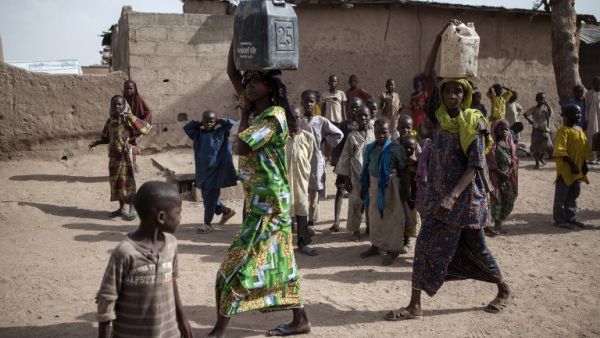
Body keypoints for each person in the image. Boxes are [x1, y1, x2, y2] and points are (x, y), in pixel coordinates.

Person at [385, 21, 511, 321]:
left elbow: (476, 165)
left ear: (465, 93)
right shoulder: (439, 116)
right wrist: (438, 39)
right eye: (448, 91)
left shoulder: (474, 122)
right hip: (440, 197)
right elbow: (427, 77)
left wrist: (453, 196)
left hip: (465, 201)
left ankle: (504, 289)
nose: (452, 96)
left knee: (476, 250)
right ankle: (415, 305)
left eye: (458, 91)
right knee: (425, 247)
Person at [208, 41, 311, 338]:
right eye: (247, 82)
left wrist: (242, 114)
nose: (249, 87)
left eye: (256, 82)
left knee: (234, 266)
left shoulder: (274, 117)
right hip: (259, 201)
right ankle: (300, 320)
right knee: (282, 260)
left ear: (271, 86)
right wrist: (238, 37)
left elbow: (240, 146)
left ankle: (218, 330)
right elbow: (231, 70)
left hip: (271, 204)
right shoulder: (256, 110)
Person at [96, 181, 193, 338]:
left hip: (168, 333)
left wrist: (182, 320)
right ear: (161, 217)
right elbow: (106, 302)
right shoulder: (125, 253)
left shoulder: (171, 245)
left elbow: (171, 281)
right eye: (178, 212)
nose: (180, 218)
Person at [89, 95, 152, 220]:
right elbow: (106, 138)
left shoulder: (128, 119)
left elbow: (145, 128)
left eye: (119, 104)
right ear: (111, 106)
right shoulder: (110, 121)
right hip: (114, 158)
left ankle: (132, 209)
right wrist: (97, 142)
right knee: (117, 184)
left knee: (128, 183)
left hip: (125, 157)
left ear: (124, 106)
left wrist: (132, 137)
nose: (117, 107)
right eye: (114, 104)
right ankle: (121, 208)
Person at [360, 119, 407, 266]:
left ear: (390, 132)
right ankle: (376, 245)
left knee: (392, 217)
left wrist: (404, 189)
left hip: (390, 186)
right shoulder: (370, 148)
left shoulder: (395, 148)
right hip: (373, 185)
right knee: (374, 216)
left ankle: (393, 250)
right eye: (378, 132)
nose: (381, 135)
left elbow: (402, 167)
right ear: (373, 133)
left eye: (384, 132)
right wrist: (364, 186)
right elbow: (366, 168)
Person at [183, 110, 237, 234]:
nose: (208, 124)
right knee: (207, 197)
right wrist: (199, 123)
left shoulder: (222, 132)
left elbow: (234, 125)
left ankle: (207, 223)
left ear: (216, 121)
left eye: (211, 122)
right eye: (206, 122)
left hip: (217, 171)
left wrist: (221, 121)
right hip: (202, 171)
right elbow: (187, 128)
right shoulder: (198, 134)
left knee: (210, 198)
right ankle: (226, 211)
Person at [300, 90, 344, 228]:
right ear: (302, 103)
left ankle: (312, 220)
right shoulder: (299, 121)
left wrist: (325, 139)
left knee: (313, 191)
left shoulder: (321, 121)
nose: (308, 104)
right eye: (306, 101)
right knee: (300, 189)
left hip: (315, 158)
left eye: (311, 101)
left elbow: (338, 134)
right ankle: (300, 218)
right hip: (300, 159)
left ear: (316, 103)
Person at [335, 106, 375, 241]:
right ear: (355, 118)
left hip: (372, 175)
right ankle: (356, 230)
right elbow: (346, 156)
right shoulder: (352, 136)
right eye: (360, 116)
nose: (363, 118)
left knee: (371, 202)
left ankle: (371, 227)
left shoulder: (374, 133)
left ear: (370, 117)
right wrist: (346, 179)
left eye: (365, 115)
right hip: (356, 175)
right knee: (356, 201)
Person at [552, 104, 592, 228]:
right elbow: (560, 150)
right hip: (566, 169)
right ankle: (559, 219)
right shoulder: (563, 131)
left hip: (578, 169)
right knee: (561, 195)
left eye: (580, 113)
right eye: (576, 113)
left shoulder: (580, 130)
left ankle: (570, 216)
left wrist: (584, 164)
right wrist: (572, 164)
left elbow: (585, 148)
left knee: (574, 193)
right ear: (568, 116)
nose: (579, 116)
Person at [287, 105, 318, 256]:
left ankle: (302, 243)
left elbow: (308, 157)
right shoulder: (280, 140)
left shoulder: (308, 137)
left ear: (301, 118)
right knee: (284, 214)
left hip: (301, 182)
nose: (293, 120)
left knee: (302, 211)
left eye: (296, 117)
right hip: (284, 184)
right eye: (290, 118)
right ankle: (284, 246)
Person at [329, 97, 362, 233]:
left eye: (357, 107)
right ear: (348, 109)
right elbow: (338, 144)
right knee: (341, 190)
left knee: (358, 193)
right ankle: (336, 221)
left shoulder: (364, 126)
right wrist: (336, 160)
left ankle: (358, 224)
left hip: (358, 165)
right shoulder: (344, 124)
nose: (354, 110)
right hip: (345, 162)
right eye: (352, 107)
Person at [486, 119, 519, 236]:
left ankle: (500, 221)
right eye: (501, 129)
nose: (504, 131)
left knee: (510, 198)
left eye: (506, 129)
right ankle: (496, 224)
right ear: (496, 131)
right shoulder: (492, 145)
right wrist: (500, 173)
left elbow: (513, 160)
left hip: (508, 177)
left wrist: (510, 172)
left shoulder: (510, 144)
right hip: (496, 177)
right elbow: (490, 163)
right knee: (497, 200)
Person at [123, 80, 153, 172]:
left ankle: (134, 164)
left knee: (132, 145)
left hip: (135, 127)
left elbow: (148, 112)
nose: (129, 90)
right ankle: (128, 165)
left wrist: (141, 124)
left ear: (135, 89)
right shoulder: (122, 99)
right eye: (127, 88)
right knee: (124, 145)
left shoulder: (139, 99)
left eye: (131, 88)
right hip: (125, 126)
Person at [399, 134, 419, 253]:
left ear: (415, 148)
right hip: (400, 195)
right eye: (405, 147)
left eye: (411, 148)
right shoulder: (399, 162)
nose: (408, 150)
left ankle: (407, 241)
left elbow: (416, 183)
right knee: (401, 219)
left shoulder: (416, 164)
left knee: (411, 220)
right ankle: (403, 240)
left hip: (411, 198)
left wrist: (413, 198)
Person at [524, 92, 553, 169]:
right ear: (536, 99)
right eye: (540, 99)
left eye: (543, 99)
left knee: (548, 146)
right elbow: (525, 114)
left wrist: (547, 105)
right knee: (536, 147)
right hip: (536, 130)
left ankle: (541, 157)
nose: (542, 100)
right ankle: (537, 163)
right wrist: (530, 122)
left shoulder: (546, 109)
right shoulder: (533, 109)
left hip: (544, 131)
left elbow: (550, 114)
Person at [584, 76, 600, 164]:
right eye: (596, 83)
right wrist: (586, 118)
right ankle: (592, 157)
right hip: (593, 118)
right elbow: (586, 107)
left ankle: (599, 157)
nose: (598, 85)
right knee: (593, 136)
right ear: (593, 84)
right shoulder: (589, 94)